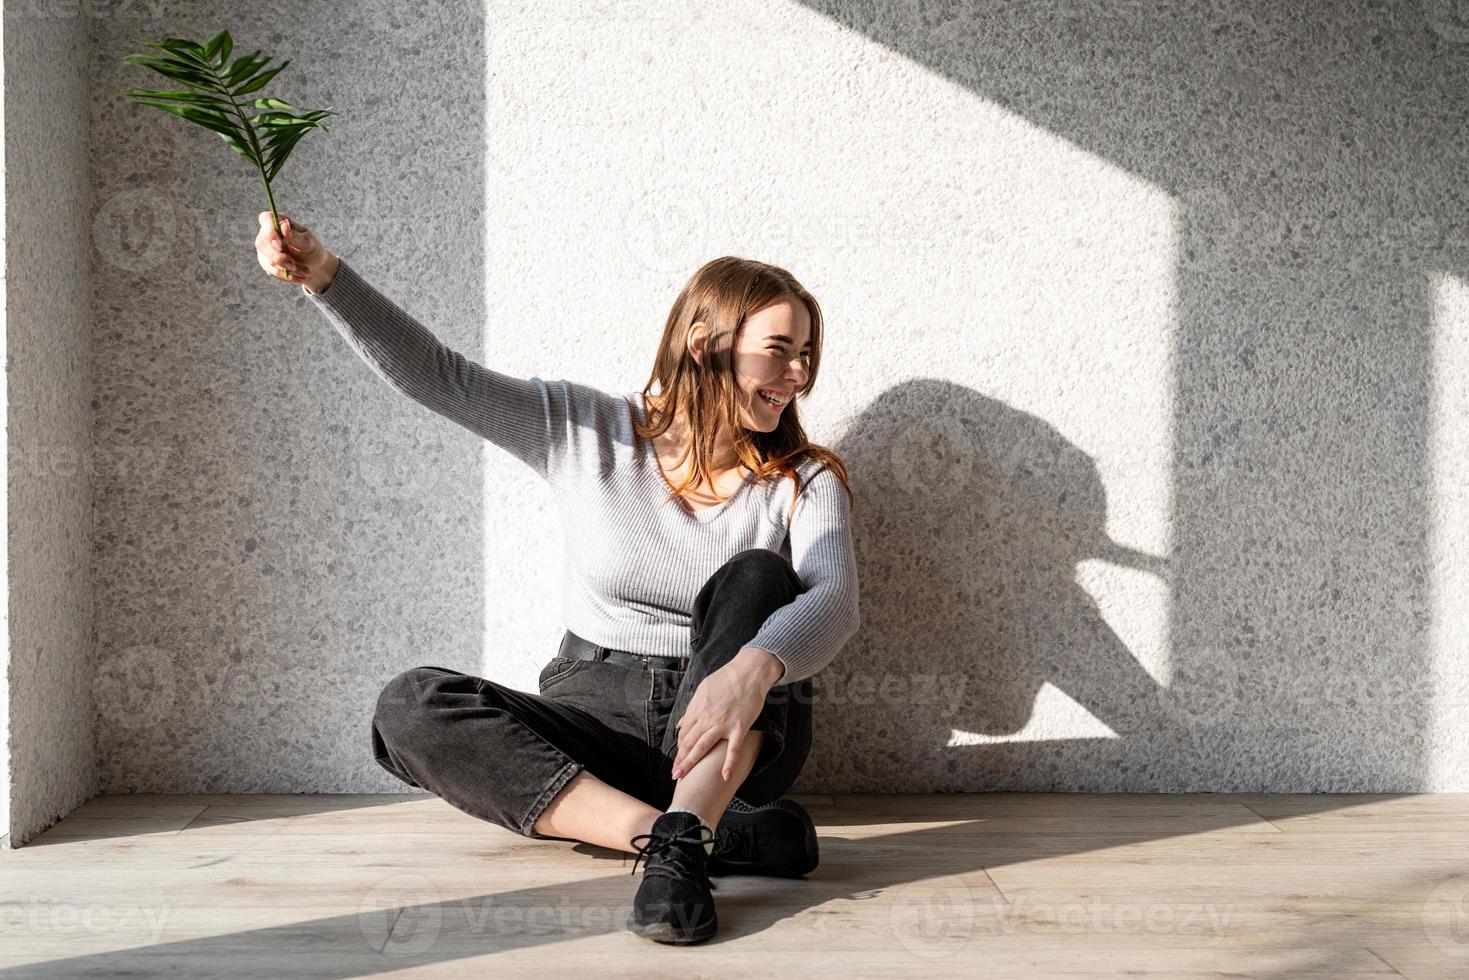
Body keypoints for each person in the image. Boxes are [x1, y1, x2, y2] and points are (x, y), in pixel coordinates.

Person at [253, 211, 862, 944]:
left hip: (738, 726)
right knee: (408, 705)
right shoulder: (583, 428)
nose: (799, 374)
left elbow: (832, 597)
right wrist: (324, 277)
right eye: (779, 351)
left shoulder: (804, 478)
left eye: (805, 354)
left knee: (759, 575)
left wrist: (751, 672)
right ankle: (679, 841)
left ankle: (698, 815)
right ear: (704, 346)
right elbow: (439, 378)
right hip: (596, 713)